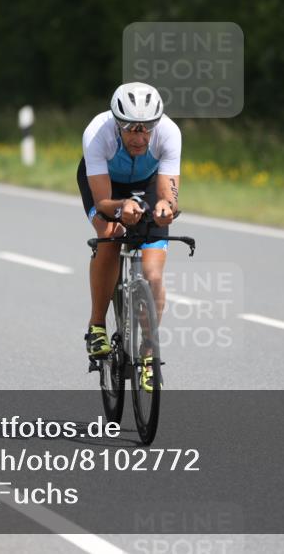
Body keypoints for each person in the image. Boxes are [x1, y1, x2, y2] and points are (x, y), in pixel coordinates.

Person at [77, 82, 181, 391]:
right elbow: (102, 202)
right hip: (108, 188)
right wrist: (122, 208)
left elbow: (168, 194)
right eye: (131, 129)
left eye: (146, 129)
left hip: (147, 182)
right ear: (116, 124)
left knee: (152, 274)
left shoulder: (170, 133)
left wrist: (165, 207)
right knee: (110, 233)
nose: (139, 137)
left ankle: (148, 356)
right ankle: (97, 325)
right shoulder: (97, 133)